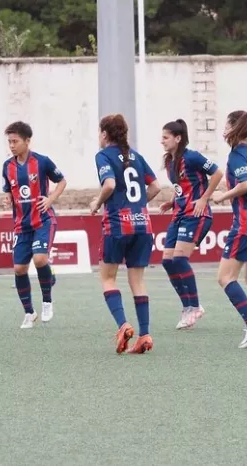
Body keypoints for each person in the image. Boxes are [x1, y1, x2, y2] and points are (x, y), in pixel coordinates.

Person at [90, 114, 161, 355]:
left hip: (118, 225)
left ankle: (123, 325)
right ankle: (145, 334)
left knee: (108, 278)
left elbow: (109, 184)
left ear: (104, 134)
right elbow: (156, 186)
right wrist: (139, 204)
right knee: (138, 281)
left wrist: (97, 203)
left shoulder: (103, 156)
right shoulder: (136, 156)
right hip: (143, 224)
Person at [157, 119, 223, 330]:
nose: (162, 141)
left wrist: (204, 199)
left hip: (196, 214)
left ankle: (195, 305)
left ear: (178, 138)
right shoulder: (169, 161)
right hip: (178, 214)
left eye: (165, 137)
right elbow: (181, 188)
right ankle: (187, 307)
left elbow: (218, 173)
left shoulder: (192, 157)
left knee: (179, 258)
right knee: (167, 261)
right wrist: (172, 201)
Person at [1, 121, 67, 329]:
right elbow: (9, 190)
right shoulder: (7, 166)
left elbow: (62, 181)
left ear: (27, 141)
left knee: (39, 259)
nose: (11, 145)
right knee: (19, 268)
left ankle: (47, 301)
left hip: (43, 221)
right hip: (22, 225)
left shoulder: (42, 162)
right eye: (9, 141)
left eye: (15, 141)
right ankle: (29, 312)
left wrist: (50, 199)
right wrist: (8, 199)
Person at [211, 110, 247, 348]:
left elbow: (245, 183)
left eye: (227, 124)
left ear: (236, 127)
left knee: (225, 277)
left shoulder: (238, 154)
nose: (223, 129)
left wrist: (223, 196)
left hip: (244, 225)